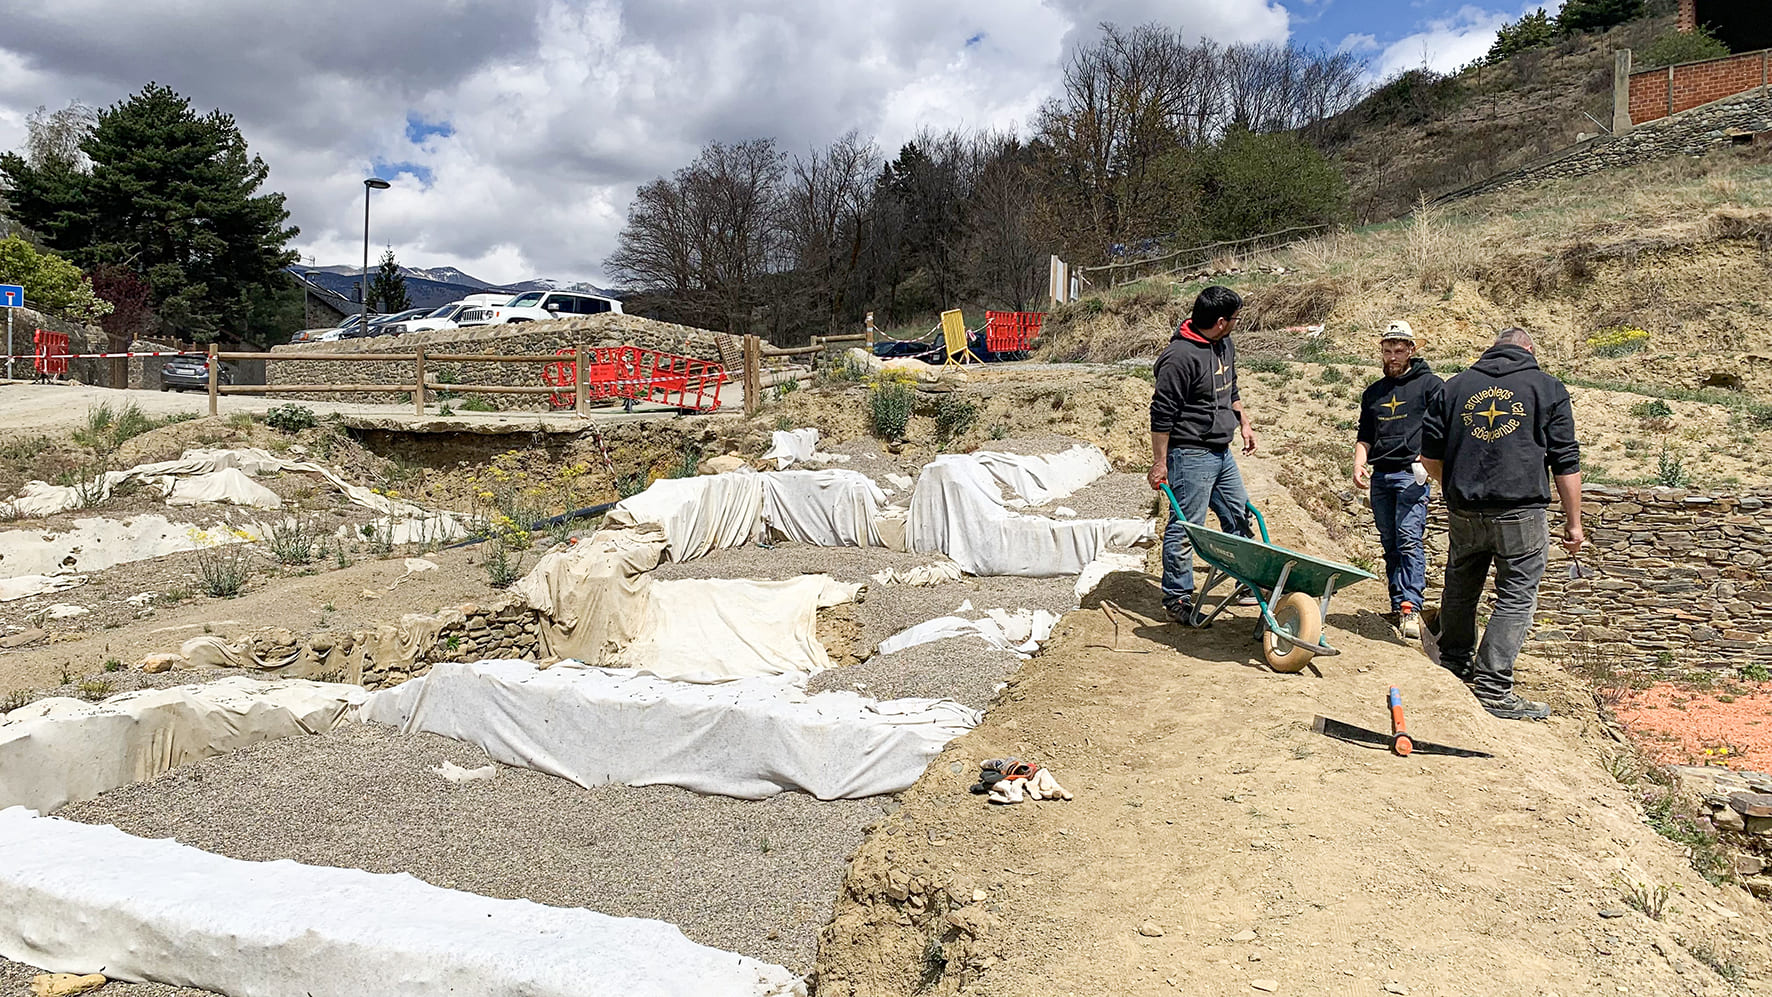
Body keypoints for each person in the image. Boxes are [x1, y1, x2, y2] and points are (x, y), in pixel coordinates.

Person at [1422, 327, 1583, 721]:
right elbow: (1565, 461)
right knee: (1516, 597)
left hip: (1464, 509)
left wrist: (1454, 489)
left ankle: (1454, 664)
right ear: (1529, 349)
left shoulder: (1454, 387)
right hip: (1520, 511)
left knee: (1461, 587)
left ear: (1493, 348)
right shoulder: (1547, 388)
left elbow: (1428, 456)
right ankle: (1493, 688)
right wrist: (1574, 523)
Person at [1147, 285, 1257, 624]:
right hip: (1190, 454)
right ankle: (1177, 597)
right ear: (1221, 321)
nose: (1237, 323)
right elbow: (1161, 414)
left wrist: (1244, 422)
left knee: (1239, 516)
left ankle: (1247, 583)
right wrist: (1160, 463)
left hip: (1221, 452)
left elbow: (1230, 387)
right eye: (1235, 319)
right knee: (1187, 527)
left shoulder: (1224, 344)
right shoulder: (1179, 358)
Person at [1353, 320, 1444, 640]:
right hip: (1381, 474)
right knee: (1390, 542)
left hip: (1411, 474)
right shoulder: (1374, 393)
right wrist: (1359, 462)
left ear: (1411, 351)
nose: (1392, 357)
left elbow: (1444, 427)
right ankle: (1398, 603)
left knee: (1408, 539)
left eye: (1398, 351)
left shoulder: (1431, 385)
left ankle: (1411, 606)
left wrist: (1429, 459)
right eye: (1387, 350)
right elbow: (1365, 434)